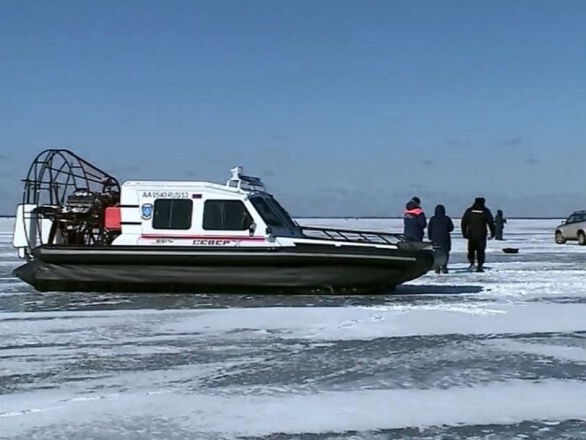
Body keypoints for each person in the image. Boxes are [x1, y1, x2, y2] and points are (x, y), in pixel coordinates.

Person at [461, 197, 496, 272]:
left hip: (471, 235)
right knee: (481, 250)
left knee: (471, 250)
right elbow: (491, 223)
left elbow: (463, 223)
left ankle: (472, 262)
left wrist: (464, 233)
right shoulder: (485, 211)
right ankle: (479, 265)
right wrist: (493, 233)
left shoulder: (469, 211)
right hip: (481, 235)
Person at [428, 204, 454, 273]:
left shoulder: (433, 219)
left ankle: (437, 267)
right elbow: (451, 228)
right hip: (445, 238)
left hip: (435, 238)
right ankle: (444, 267)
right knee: (445, 253)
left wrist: (430, 237)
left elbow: (429, 229)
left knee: (436, 252)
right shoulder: (447, 219)